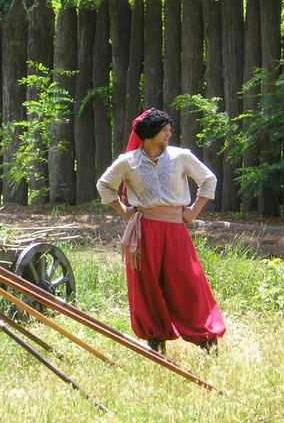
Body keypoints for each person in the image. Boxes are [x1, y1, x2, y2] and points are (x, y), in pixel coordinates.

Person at [96, 108, 226, 356]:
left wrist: (193, 211)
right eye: (164, 129)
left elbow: (208, 179)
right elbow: (104, 185)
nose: (169, 133)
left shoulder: (181, 157)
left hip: (176, 229)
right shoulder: (129, 161)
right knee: (147, 284)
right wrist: (125, 212)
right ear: (150, 134)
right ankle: (155, 339)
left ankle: (206, 336)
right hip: (144, 232)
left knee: (188, 280)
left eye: (169, 129)